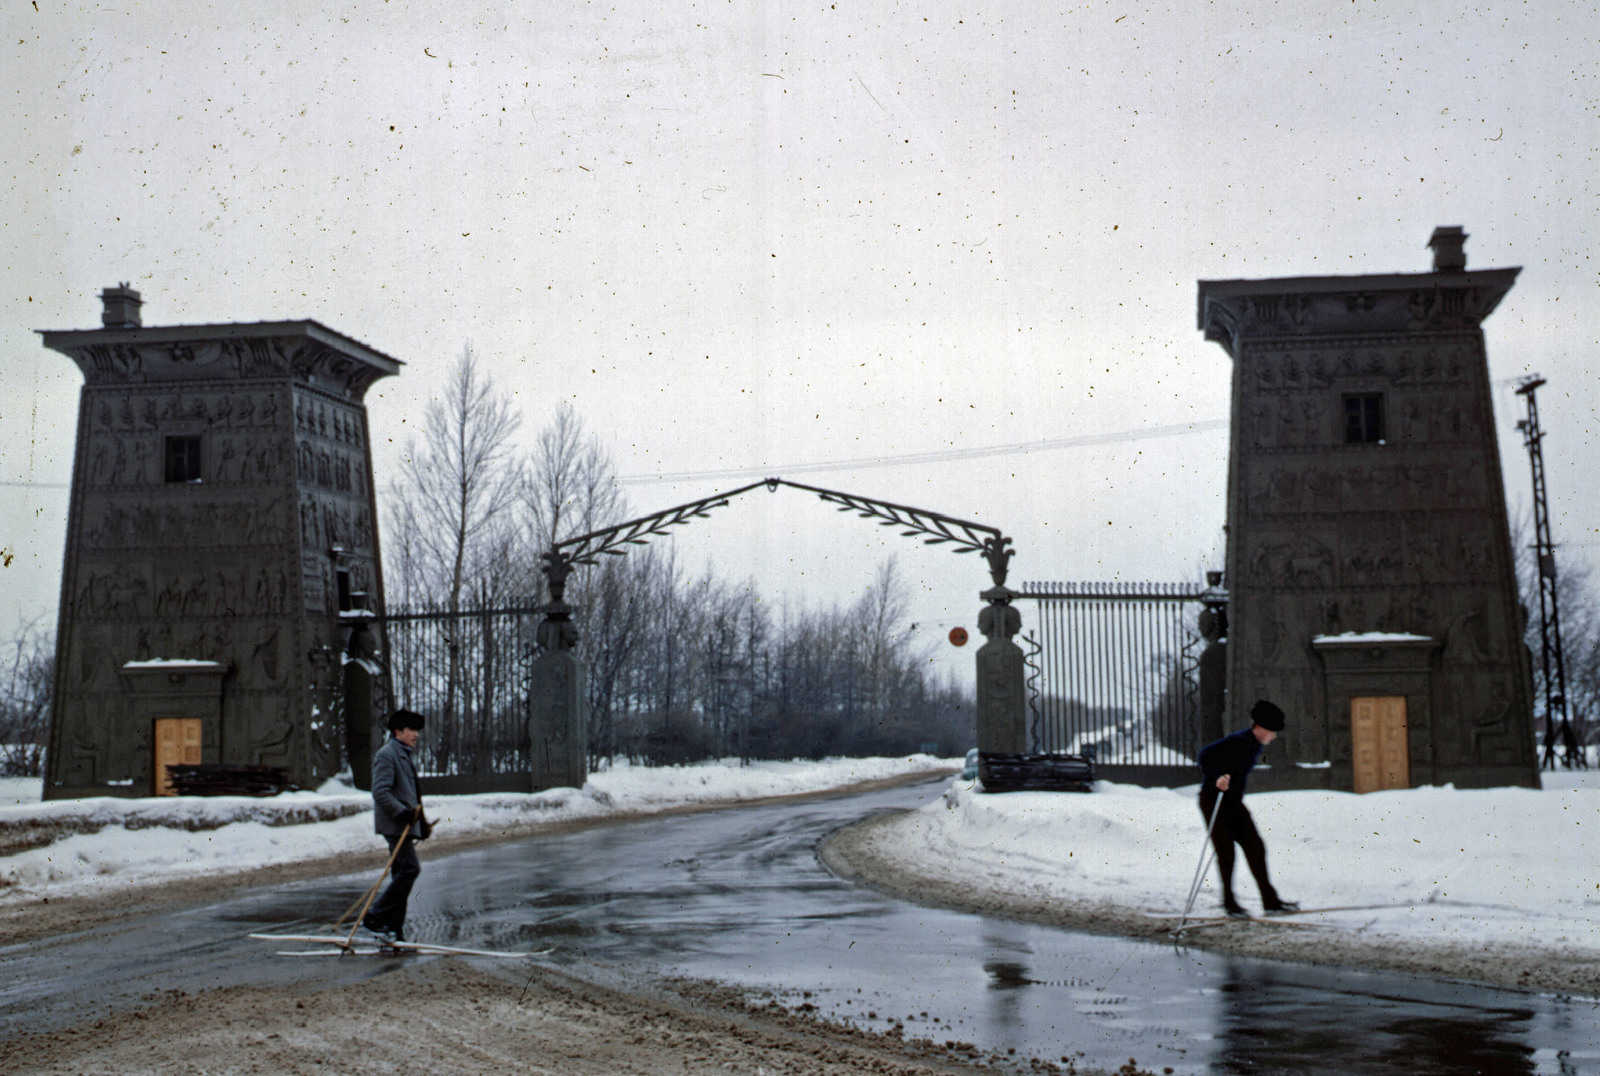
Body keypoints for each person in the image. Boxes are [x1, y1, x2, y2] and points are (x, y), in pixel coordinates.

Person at [1196, 699, 1298, 919]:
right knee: (1226, 852)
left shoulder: (1254, 745)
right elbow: (1205, 755)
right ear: (1260, 728)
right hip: (1213, 801)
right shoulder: (1240, 741)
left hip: (1232, 803)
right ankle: (1229, 903)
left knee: (1255, 847)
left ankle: (1270, 901)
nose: (1274, 736)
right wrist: (1218, 777)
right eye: (1272, 731)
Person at [364, 708, 431, 942]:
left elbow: (410, 795)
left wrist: (421, 825)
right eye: (412, 730)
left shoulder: (402, 753)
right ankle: (376, 916)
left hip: (403, 825)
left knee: (401, 873)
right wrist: (402, 814)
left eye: (417, 730)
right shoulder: (387, 754)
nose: (416, 735)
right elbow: (380, 792)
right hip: (394, 826)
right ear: (398, 731)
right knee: (410, 869)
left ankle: (393, 927)